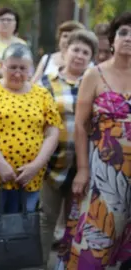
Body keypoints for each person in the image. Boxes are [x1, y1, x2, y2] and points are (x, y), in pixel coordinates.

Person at [0, 43, 61, 270]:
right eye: (12, 67)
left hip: (28, 179)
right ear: (2, 66)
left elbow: (53, 132)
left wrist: (36, 165)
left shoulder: (42, 95)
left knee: (19, 231)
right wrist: (0, 163)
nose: (17, 73)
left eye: (22, 68)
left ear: (30, 69)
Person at [56, 12, 131, 269]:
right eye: (123, 32)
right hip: (104, 172)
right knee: (95, 241)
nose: (129, 38)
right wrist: (83, 170)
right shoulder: (94, 75)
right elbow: (80, 124)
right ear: (112, 40)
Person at [38, 29, 98, 268]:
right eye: (75, 49)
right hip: (51, 163)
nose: (80, 56)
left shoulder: (96, 84)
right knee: (46, 219)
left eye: (86, 52)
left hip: (84, 165)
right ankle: (40, 264)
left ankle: (66, 266)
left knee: (76, 222)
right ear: (64, 52)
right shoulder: (45, 83)